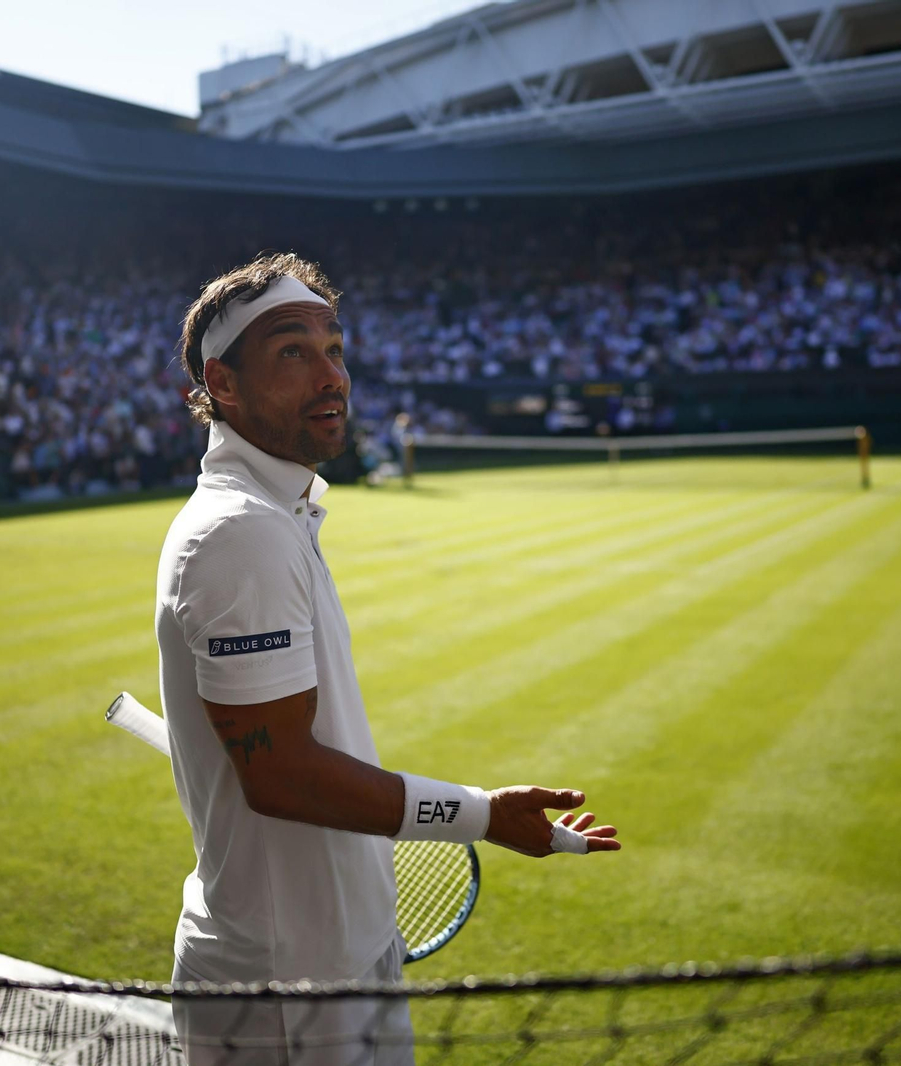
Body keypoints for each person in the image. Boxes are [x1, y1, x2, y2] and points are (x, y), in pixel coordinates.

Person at [156, 253, 621, 1066]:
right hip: (286, 990)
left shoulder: (278, 512)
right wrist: (484, 814)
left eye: (334, 348)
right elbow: (282, 774)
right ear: (222, 386)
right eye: (292, 352)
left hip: (334, 961)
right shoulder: (240, 534)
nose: (331, 374)